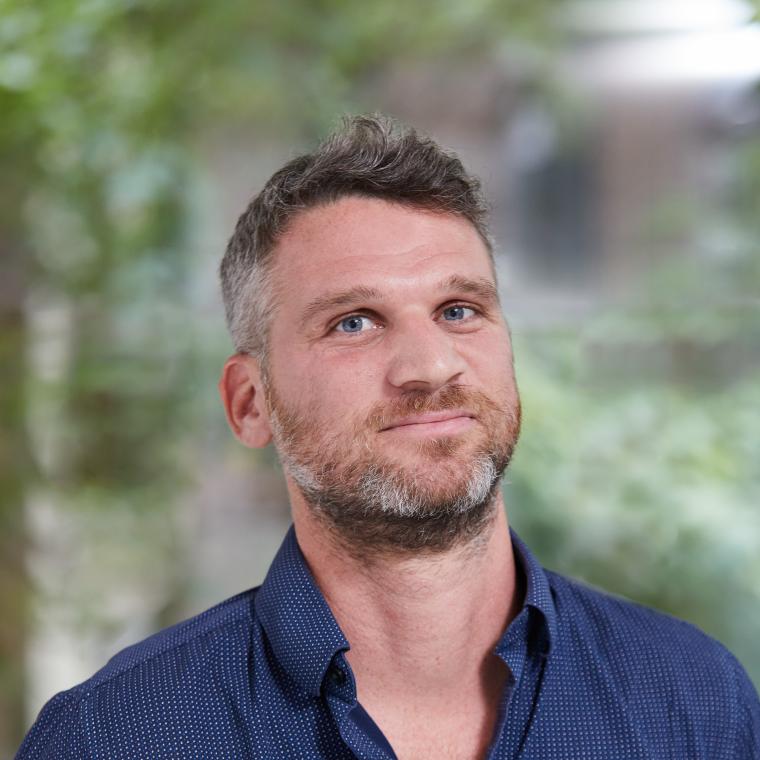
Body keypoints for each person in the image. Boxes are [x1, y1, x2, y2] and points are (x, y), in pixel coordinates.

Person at [17, 114, 760, 760]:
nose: (430, 366)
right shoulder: (116, 739)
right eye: (354, 322)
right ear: (250, 404)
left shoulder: (694, 702)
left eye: (460, 310)